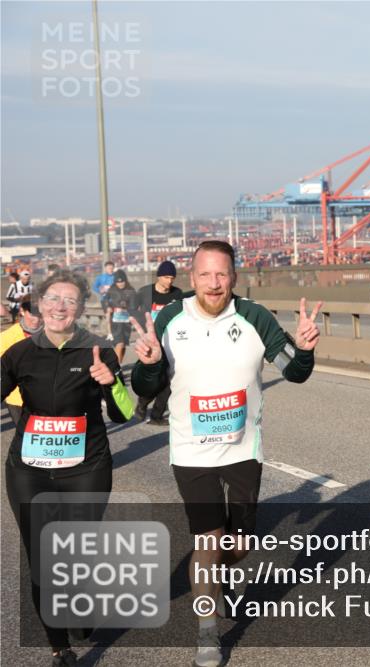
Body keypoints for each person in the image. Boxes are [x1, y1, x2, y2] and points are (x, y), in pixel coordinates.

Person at [130, 240, 321, 667]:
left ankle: (220, 575)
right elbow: (145, 385)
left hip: (242, 450)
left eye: (222, 274)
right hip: (190, 451)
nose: (213, 283)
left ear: (234, 277)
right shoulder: (170, 318)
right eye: (205, 274)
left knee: (239, 546)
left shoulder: (255, 316)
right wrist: (148, 364)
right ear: (192, 277)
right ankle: (207, 632)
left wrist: (306, 351)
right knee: (208, 540)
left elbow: (293, 371)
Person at [2, 270, 133, 666]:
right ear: (40, 304)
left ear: (80, 308)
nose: (61, 306)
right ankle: (59, 648)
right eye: (53, 299)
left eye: (70, 300)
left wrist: (111, 382)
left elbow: (123, 413)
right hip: (29, 470)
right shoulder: (19, 354)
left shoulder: (99, 350)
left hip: (86, 468)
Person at [134, 261, 184, 425]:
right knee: (155, 380)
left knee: (169, 381)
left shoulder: (177, 294)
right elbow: (133, 308)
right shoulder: (145, 292)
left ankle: (156, 415)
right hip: (151, 342)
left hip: (171, 342)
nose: (170, 281)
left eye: (172, 278)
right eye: (166, 277)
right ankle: (142, 403)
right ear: (159, 276)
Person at [0, 294, 44, 426]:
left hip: (46, 398)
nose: (36, 319)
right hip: (17, 400)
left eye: (40, 314)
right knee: (25, 434)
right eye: (32, 313)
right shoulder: (6, 337)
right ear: (22, 311)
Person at [104, 270, 140, 364]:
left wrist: (127, 307)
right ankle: (115, 367)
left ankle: (117, 365)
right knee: (119, 344)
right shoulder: (112, 290)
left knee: (123, 346)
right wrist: (107, 307)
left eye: (122, 281)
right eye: (118, 282)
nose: (120, 284)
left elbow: (135, 306)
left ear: (125, 280)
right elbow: (105, 300)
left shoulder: (131, 290)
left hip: (126, 322)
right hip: (115, 322)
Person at [92, 261, 115, 339]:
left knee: (115, 316)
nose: (110, 270)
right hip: (105, 299)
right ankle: (110, 333)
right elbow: (94, 287)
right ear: (105, 269)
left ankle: (114, 332)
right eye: (109, 268)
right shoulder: (100, 277)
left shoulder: (116, 277)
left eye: (112, 268)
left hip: (115, 300)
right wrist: (100, 290)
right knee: (108, 315)